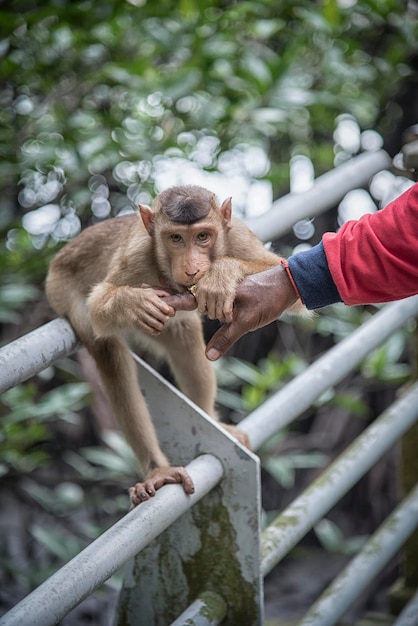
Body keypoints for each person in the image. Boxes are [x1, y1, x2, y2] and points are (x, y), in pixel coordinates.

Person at [203, 181, 418, 361]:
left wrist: (294, 279)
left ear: (226, 215)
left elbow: (285, 290)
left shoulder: (235, 235)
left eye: (202, 237)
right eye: (175, 238)